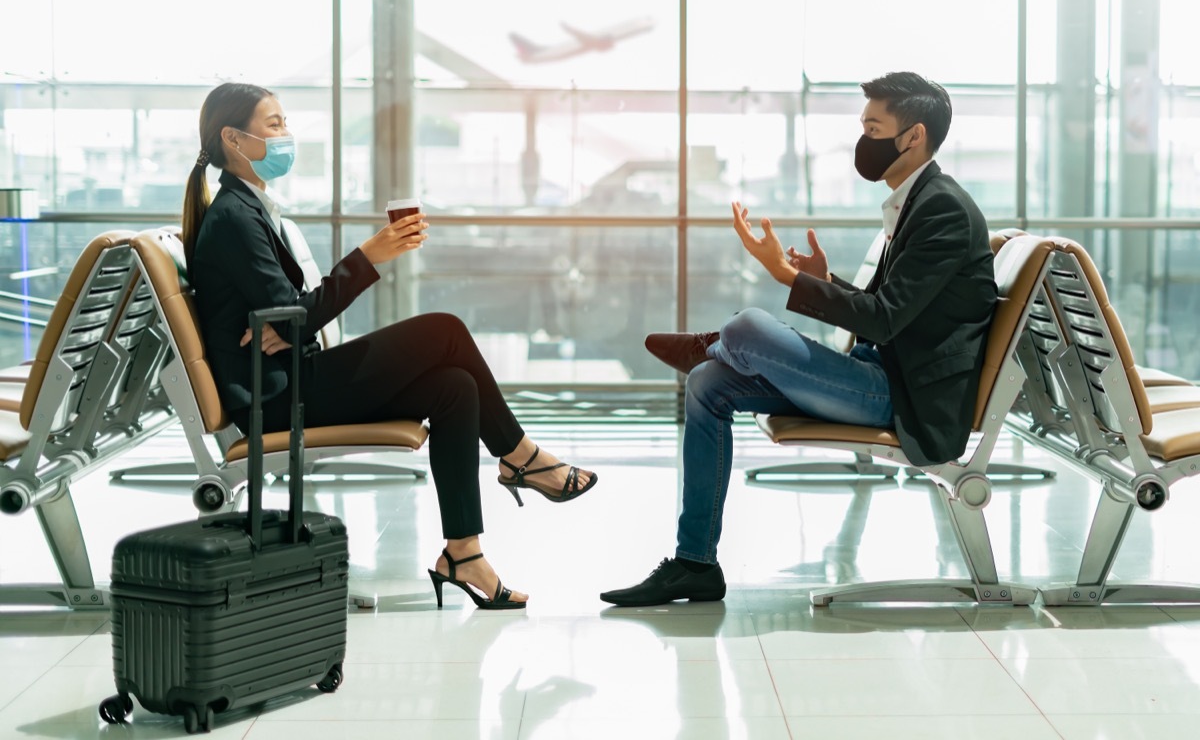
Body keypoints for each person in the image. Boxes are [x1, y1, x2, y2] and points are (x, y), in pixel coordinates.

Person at [183, 82, 598, 611]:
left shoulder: (249, 207)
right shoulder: (235, 217)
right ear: (233, 139)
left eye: (285, 122)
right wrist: (368, 257)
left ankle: (464, 553)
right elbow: (294, 317)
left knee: (455, 387)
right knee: (444, 329)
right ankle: (520, 457)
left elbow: (289, 317)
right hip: (278, 399)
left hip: (290, 376)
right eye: (275, 124)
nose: (287, 134)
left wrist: (289, 322)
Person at [600, 72, 996, 607]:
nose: (863, 139)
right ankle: (695, 563)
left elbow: (882, 321)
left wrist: (791, 279)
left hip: (903, 401)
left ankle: (719, 339)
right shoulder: (918, 202)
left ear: (913, 136)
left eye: (873, 127)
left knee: (746, 328)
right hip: (881, 374)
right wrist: (824, 280)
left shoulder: (941, 209)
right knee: (707, 382)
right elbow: (895, 314)